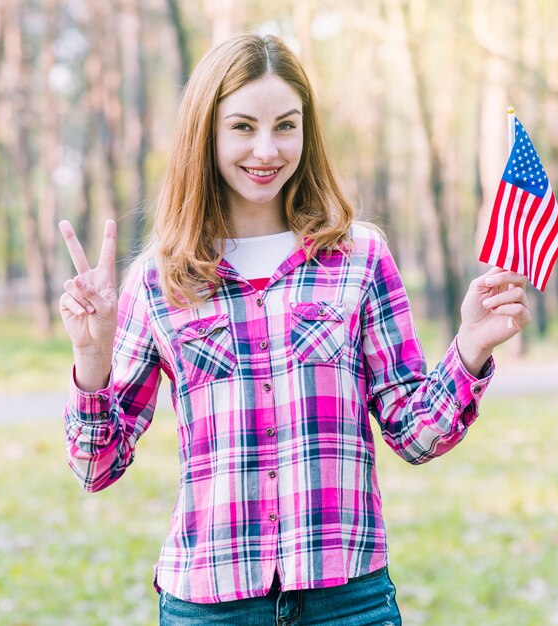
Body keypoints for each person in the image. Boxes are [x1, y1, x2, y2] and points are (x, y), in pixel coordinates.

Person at [59, 32, 530, 626]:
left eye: (286, 125)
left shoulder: (359, 258)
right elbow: (96, 466)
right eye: (242, 127)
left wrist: (471, 348)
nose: (266, 148)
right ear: (205, 132)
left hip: (347, 600)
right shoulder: (159, 280)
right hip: (210, 605)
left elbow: (415, 434)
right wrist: (91, 357)